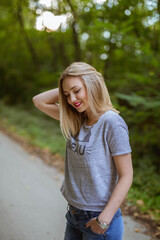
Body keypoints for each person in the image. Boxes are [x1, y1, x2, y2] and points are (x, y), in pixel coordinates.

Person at [32, 62, 133, 240]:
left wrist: (103, 220)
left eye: (76, 90)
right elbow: (38, 101)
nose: (71, 99)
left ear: (92, 84)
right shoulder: (77, 119)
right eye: (66, 95)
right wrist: (67, 85)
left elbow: (126, 175)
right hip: (73, 215)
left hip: (99, 219)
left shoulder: (111, 122)